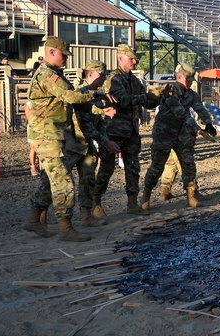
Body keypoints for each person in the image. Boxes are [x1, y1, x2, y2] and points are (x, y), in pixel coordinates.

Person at [24, 36, 109, 242]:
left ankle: (34, 219)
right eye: (64, 55)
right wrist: (99, 93)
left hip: (56, 134)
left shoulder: (54, 74)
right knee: (64, 182)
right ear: (51, 52)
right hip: (48, 135)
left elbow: (71, 97)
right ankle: (66, 228)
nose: (66, 59)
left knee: (50, 180)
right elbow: (70, 97)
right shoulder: (47, 75)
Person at [140, 63, 217, 211]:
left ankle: (191, 196)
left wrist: (208, 123)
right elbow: (181, 113)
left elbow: (200, 108)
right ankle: (146, 198)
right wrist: (198, 129)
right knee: (157, 166)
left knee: (188, 164)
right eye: (188, 80)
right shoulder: (170, 91)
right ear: (179, 77)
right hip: (164, 132)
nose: (190, 83)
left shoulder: (191, 94)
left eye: (191, 80)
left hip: (181, 133)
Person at [93, 43, 158, 217]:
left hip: (131, 132)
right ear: (120, 58)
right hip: (113, 132)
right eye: (132, 59)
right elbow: (123, 100)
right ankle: (96, 203)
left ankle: (132, 203)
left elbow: (147, 103)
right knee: (107, 169)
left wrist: (159, 96)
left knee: (133, 167)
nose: (135, 62)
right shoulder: (114, 79)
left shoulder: (134, 81)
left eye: (135, 59)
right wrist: (146, 96)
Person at [72, 60, 122, 227]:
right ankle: (39, 215)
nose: (104, 80)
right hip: (72, 144)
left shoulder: (97, 95)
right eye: (102, 76)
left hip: (87, 146)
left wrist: (105, 141)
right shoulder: (80, 93)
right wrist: (105, 142)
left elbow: (100, 123)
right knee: (54, 181)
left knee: (87, 180)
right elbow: (84, 125)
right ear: (91, 74)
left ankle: (86, 215)